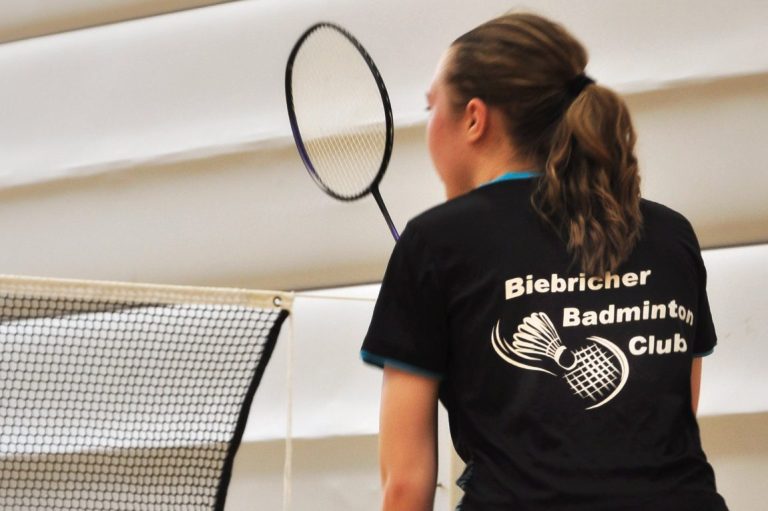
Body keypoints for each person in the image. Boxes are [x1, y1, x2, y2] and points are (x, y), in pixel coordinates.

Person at [360, 11, 729, 511]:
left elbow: (405, 487)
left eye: (431, 108)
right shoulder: (671, 234)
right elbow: (664, 425)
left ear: (473, 118)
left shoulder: (434, 242)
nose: (429, 126)